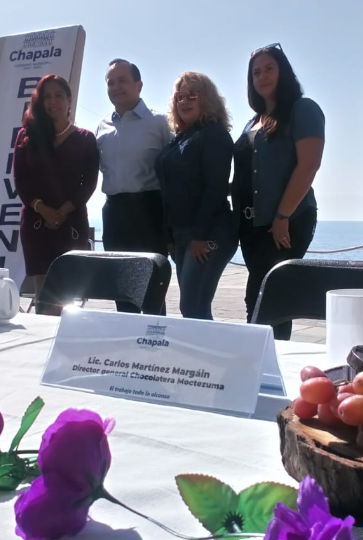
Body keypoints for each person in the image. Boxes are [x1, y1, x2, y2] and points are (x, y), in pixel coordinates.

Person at [233, 44, 325, 339]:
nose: (262, 76)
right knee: (256, 297)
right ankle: (261, 363)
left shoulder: (303, 108)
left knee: (272, 299)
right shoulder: (252, 121)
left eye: (269, 68)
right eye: (256, 72)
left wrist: (282, 216)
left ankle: (270, 368)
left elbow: (309, 166)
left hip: (287, 222)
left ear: (283, 71)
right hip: (251, 226)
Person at [12, 75, 99, 309]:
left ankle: (66, 343)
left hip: (71, 223)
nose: (53, 101)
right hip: (35, 224)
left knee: (68, 295)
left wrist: (61, 212)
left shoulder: (85, 138)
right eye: (46, 96)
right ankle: (43, 343)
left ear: (69, 101)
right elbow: (21, 180)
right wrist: (44, 211)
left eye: (59, 95)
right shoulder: (26, 136)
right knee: (44, 296)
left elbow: (89, 183)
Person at [155, 72, 236, 320]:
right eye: (180, 96)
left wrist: (200, 236)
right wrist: (170, 235)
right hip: (182, 235)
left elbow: (216, 187)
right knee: (192, 308)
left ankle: (209, 358)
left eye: (192, 94)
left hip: (208, 234)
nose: (184, 101)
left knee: (193, 308)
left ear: (207, 99)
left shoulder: (214, 135)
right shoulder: (180, 138)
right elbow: (171, 189)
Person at [95, 58, 173, 313]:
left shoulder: (160, 123)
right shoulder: (102, 126)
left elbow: (174, 172)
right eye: (110, 82)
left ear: (139, 85)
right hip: (115, 212)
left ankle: (155, 347)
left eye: (122, 80)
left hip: (149, 211)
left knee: (152, 290)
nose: (116, 87)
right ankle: (128, 347)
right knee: (122, 289)